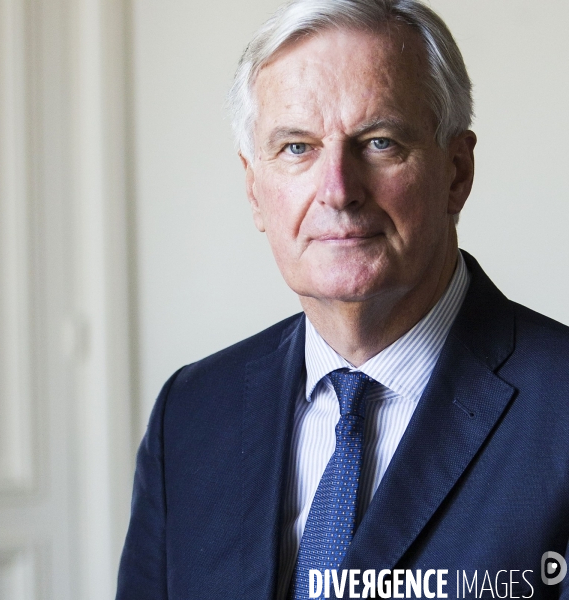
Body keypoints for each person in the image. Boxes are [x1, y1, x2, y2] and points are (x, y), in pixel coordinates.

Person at [116, 1, 569, 598]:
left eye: (379, 142)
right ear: (255, 189)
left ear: (456, 172)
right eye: (297, 148)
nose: (338, 191)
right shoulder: (193, 414)